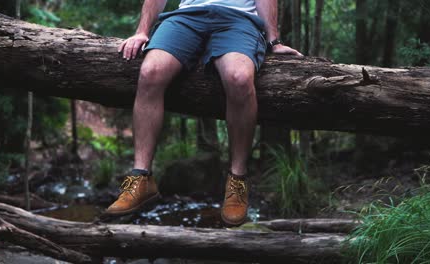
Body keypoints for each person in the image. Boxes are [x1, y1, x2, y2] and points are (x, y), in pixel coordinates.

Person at [104, 0, 302, 226]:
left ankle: (237, 180)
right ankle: (141, 177)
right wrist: (142, 31)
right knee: (151, 72)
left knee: (239, 78)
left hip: (238, 19)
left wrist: (274, 41)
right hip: (187, 17)